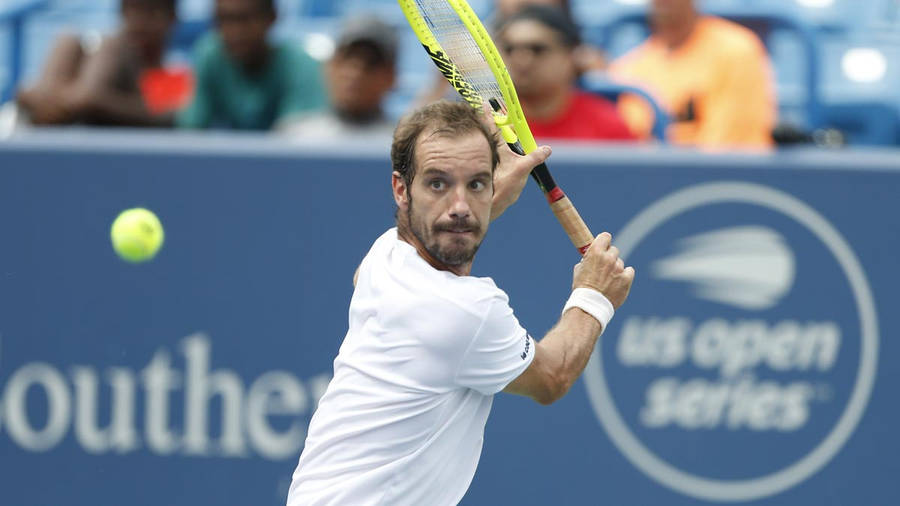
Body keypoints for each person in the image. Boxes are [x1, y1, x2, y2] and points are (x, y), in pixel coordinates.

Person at [286, 101, 634, 504]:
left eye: (476, 184)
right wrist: (594, 297)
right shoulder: (467, 312)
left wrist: (487, 196)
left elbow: (445, 225)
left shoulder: (384, 257)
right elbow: (552, 378)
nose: (460, 207)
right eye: (437, 183)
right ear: (401, 188)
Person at [608, 0, 777, 149]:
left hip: (719, 181)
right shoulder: (628, 67)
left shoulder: (737, 50)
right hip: (648, 179)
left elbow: (728, 150)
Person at [14, 0, 183, 127]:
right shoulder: (91, 50)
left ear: (172, 18)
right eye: (133, 10)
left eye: (153, 12)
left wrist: (93, 101)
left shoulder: (173, 78)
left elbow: (170, 116)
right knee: (68, 40)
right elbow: (28, 96)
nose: (141, 23)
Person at [177, 0, 327, 131]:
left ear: (272, 17)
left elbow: (299, 139)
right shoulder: (208, 55)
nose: (234, 31)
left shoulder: (301, 65)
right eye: (223, 19)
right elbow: (191, 128)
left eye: (244, 19)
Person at [495, 5, 634, 141]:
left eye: (537, 49)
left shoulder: (608, 125)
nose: (521, 59)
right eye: (509, 49)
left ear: (571, 55)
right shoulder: (489, 125)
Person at [282, 16, 397, 139]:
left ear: (391, 76)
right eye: (346, 58)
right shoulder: (292, 136)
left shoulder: (405, 147)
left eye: (371, 63)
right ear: (328, 68)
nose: (354, 73)